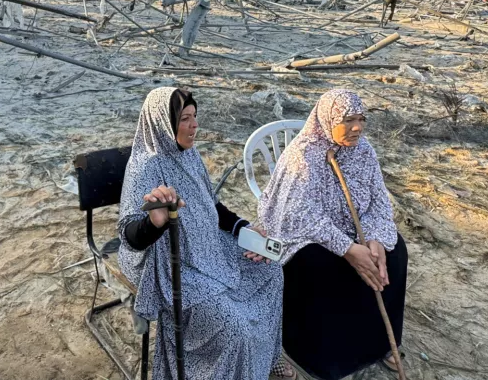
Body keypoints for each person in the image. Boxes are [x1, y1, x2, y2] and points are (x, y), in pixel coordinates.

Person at [118, 88, 291, 379]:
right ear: (164, 122)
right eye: (185, 118)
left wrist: (242, 227)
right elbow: (129, 235)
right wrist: (155, 222)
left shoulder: (189, 153)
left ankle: (264, 358)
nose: (194, 125)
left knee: (271, 272)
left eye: (195, 116)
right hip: (169, 261)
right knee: (232, 324)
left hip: (207, 246)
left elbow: (210, 203)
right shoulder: (146, 166)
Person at [258, 89, 408, 380]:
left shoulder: (364, 151)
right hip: (308, 235)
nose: (357, 127)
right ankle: (324, 355)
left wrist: (374, 239)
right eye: (348, 120)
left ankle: (377, 342)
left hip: (357, 228)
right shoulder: (303, 154)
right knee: (321, 266)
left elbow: (378, 200)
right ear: (328, 120)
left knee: (395, 252)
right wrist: (349, 250)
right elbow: (298, 214)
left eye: (361, 119)